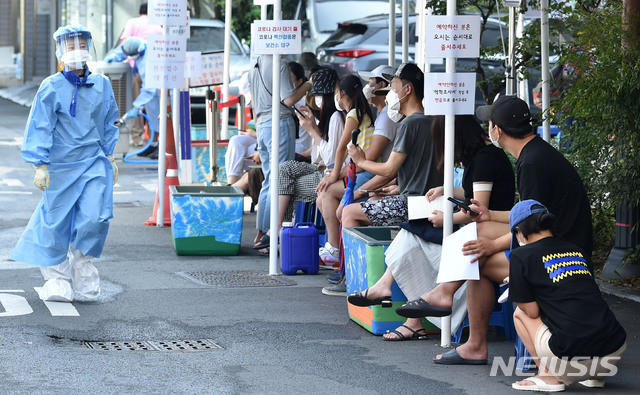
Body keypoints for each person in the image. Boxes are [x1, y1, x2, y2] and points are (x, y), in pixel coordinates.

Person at [396, 95, 593, 366]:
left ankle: (462, 323)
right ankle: (450, 303)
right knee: (478, 229)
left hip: (561, 257)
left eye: (489, 122)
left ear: (497, 130)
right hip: (556, 244)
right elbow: (531, 213)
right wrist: (489, 215)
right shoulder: (535, 153)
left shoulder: (532, 163)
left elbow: (534, 224)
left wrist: (494, 245)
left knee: (478, 257)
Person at [347, 115, 515, 340]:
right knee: (412, 232)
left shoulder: (484, 160)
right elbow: (473, 195)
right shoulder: (484, 156)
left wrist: (448, 218)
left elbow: (479, 209)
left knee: (413, 233)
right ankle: (403, 309)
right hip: (480, 228)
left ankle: (399, 304)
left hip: (481, 230)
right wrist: (445, 189)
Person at [11, 24, 119, 302]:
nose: (77, 50)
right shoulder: (51, 87)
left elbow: (108, 121)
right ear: (60, 52)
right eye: (70, 46)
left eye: (81, 44)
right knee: (55, 222)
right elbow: (40, 126)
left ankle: (83, 270)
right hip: (60, 166)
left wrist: (110, 156)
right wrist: (40, 164)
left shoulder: (102, 84)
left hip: (93, 162)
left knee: (95, 217)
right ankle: (57, 280)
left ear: (89, 48)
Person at [322, 63, 443, 296]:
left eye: (393, 86)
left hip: (413, 204)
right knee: (356, 206)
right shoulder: (428, 121)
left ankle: (349, 280)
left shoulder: (410, 123)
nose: (390, 93)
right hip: (418, 200)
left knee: (348, 213)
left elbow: (388, 169)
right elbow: (401, 173)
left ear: (407, 90)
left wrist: (360, 160)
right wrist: (375, 189)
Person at [508, 200, 626, 391]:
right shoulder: (577, 250)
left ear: (520, 232)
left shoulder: (520, 256)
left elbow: (531, 311)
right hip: (613, 349)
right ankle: (597, 377)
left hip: (568, 356)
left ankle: (547, 376)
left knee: (519, 314)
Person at [252, 67, 343, 255]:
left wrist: (311, 131)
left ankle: (278, 232)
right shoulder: (326, 117)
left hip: (332, 173)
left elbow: (332, 158)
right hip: (321, 169)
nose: (314, 99)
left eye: (317, 95)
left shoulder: (336, 118)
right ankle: (278, 229)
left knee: (287, 183)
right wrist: (314, 127)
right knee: (284, 168)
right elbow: (317, 156)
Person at [314, 73, 392, 269]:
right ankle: (333, 246)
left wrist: (333, 175)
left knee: (328, 190)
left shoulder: (353, 114)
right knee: (321, 195)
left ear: (340, 94)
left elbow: (341, 148)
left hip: (367, 172)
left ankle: (334, 249)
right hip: (361, 170)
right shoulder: (362, 112)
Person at [249, 55, 313, 248]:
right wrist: (308, 85)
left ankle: (261, 232)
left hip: (261, 124)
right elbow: (289, 99)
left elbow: (253, 101)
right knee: (281, 179)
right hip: (279, 123)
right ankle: (271, 235)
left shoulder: (255, 63)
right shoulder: (279, 64)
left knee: (269, 179)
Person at [115, 2, 162, 147]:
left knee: (139, 102)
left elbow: (124, 44)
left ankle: (137, 138)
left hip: (139, 74)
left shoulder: (133, 23)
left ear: (139, 12)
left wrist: (136, 107)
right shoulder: (158, 26)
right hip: (160, 75)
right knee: (156, 110)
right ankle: (154, 144)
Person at [105, 36, 160, 158]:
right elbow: (123, 51)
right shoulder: (134, 44)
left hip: (160, 90)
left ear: (139, 52)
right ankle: (153, 145)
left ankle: (162, 148)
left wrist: (136, 106)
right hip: (151, 92)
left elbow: (150, 88)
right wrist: (114, 57)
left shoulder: (148, 59)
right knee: (152, 116)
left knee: (160, 118)